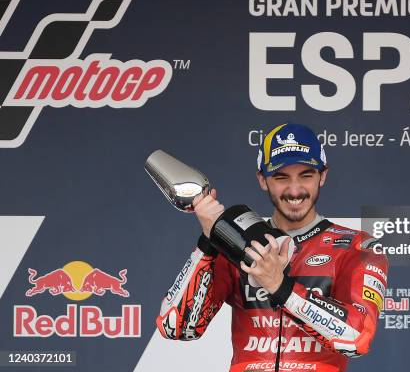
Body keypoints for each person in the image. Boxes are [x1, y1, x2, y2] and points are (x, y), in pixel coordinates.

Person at [157, 123, 388, 372]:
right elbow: (177, 327)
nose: (295, 189)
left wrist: (281, 288)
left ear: (323, 175)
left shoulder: (357, 247)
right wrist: (209, 240)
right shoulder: (239, 243)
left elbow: (357, 338)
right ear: (262, 180)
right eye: (281, 177)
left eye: (306, 175)